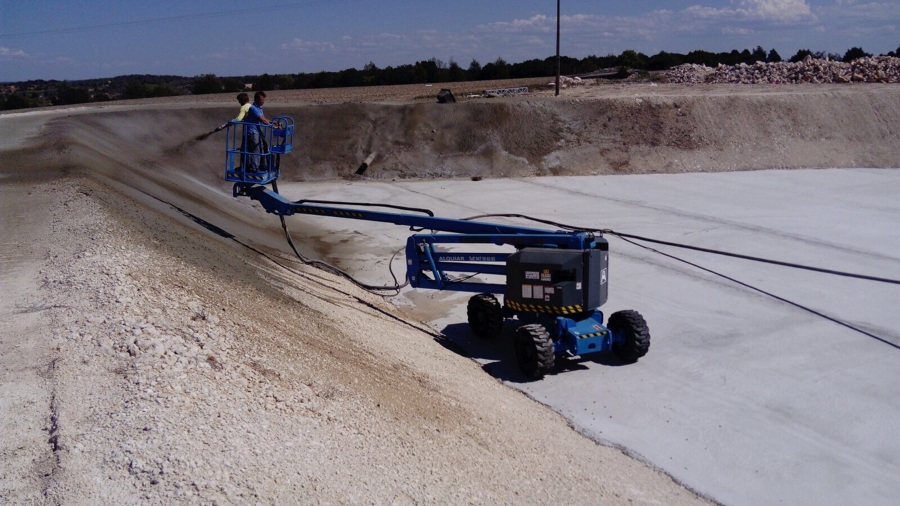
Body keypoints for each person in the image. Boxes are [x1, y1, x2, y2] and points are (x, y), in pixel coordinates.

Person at [245, 91, 273, 171]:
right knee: (256, 149)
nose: (263, 101)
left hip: (258, 131)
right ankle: (254, 168)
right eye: (261, 100)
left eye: (263, 100)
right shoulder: (253, 108)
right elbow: (261, 119)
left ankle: (262, 165)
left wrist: (273, 123)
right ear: (256, 99)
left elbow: (264, 119)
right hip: (253, 131)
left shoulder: (260, 108)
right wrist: (272, 126)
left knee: (262, 148)